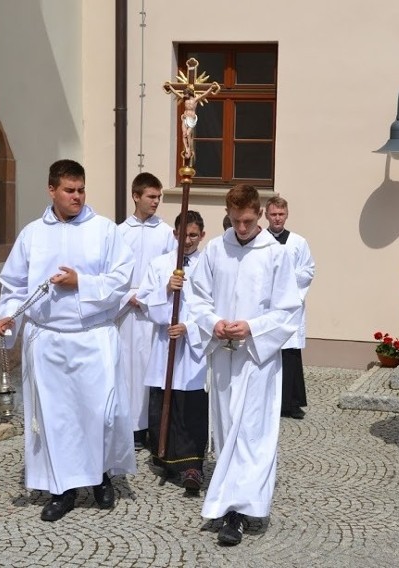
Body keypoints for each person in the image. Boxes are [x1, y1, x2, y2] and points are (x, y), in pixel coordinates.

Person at [0, 159, 136, 522]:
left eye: (81, 190)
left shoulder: (104, 230)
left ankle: (102, 476)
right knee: (57, 419)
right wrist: (9, 317)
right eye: (69, 191)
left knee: (100, 414)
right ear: (52, 190)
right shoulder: (32, 235)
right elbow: (13, 286)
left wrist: (82, 283)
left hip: (93, 337)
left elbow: (122, 279)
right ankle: (63, 489)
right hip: (49, 341)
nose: (77, 197)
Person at [187, 184, 302, 545]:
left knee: (251, 434)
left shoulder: (275, 254)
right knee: (225, 430)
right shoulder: (214, 251)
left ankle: (237, 511)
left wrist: (251, 327)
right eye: (235, 220)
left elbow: (288, 310)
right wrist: (214, 323)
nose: (241, 228)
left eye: (248, 221)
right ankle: (232, 503)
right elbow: (197, 299)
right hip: (223, 354)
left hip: (257, 359)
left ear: (260, 214)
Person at [137, 210, 208, 495]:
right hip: (165, 344)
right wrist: (166, 289)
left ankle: (193, 465)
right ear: (174, 234)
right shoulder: (159, 264)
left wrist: (189, 326)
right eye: (183, 235)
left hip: (193, 348)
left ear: (202, 235)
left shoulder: (208, 265)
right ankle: (165, 457)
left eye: (194, 235)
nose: (188, 240)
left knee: (190, 404)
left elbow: (213, 304)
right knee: (164, 401)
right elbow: (144, 301)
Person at [117, 172, 176, 450]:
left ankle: (152, 427)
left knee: (152, 368)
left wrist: (150, 297)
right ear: (136, 196)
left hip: (154, 312)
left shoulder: (165, 233)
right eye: (151, 196)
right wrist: (129, 296)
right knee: (127, 369)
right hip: (126, 313)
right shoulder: (119, 232)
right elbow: (111, 272)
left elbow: (171, 270)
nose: (156, 202)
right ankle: (129, 429)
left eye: (159, 197)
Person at [265, 196, 316, 419]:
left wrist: (285, 282)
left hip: (291, 306)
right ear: (266, 215)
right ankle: (268, 401)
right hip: (266, 306)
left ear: (287, 215)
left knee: (290, 354)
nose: (277, 218)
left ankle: (292, 403)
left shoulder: (298, 242)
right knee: (267, 351)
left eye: (281, 214)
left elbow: (308, 271)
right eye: (273, 214)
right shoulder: (260, 241)